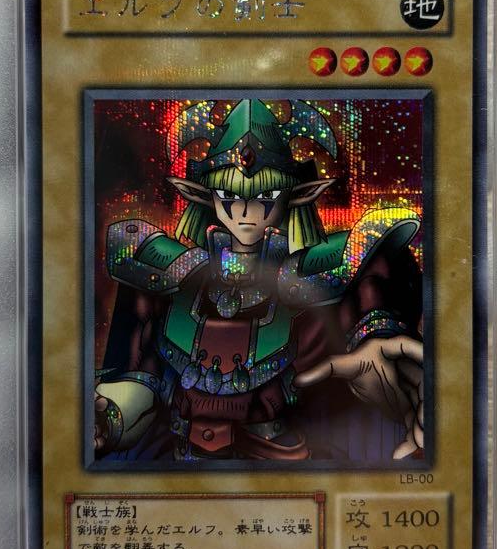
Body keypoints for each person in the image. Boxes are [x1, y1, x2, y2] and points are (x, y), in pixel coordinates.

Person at [93, 98, 428, 463]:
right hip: (183, 463)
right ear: (206, 197)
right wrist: (109, 417)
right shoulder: (169, 275)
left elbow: (372, 288)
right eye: (229, 195)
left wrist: (378, 340)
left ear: (294, 197)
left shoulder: (313, 275)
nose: (245, 211)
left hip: (282, 461)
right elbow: (144, 379)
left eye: (266, 196)